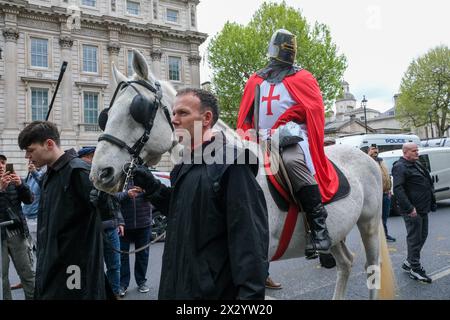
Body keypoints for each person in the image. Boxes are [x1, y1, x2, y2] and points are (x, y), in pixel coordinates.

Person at [131, 88, 269, 299]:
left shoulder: (233, 164)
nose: (174, 120)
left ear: (206, 118)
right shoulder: (183, 164)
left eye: (183, 113)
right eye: (173, 113)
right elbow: (184, 213)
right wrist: (152, 186)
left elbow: (249, 243)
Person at [237, 29, 338, 257]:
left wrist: (289, 116)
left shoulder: (303, 77)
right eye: (285, 48)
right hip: (259, 137)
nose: (288, 52)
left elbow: (313, 109)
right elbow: (246, 114)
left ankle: (319, 229)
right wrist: (247, 133)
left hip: (290, 135)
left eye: (290, 48)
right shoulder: (255, 79)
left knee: (292, 163)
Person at [17, 121, 106, 299]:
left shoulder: (78, 171)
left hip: (74, 268)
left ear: (49, 144)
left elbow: (107, 210)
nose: (27, 156)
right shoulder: (50, 173)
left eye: (30, 150)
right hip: (53, 264)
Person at [78, 146, 125, 299]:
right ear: (83, 158)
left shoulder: (103, 176)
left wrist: (119, 222)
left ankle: (115, 293)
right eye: (91, 156)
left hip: (110, 227)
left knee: (114, 265)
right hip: (92, 229)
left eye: (94, 156)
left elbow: (114, 202)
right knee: (92, 267)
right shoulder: (80, 176)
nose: (94, 160)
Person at [392, 142, 436, 283]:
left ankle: (409, 262)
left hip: (423, 207)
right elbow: (398, 189)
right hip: (413, 210)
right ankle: (415, 269)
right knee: (415, 239)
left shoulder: (415, 163)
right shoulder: (400, 167)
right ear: (405, 152)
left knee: (422, 235)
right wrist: (410, 208)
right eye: (414, 151)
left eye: (417, 150)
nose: (417, 152)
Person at [0, 153, 35, 300]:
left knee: (26, 272)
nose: (1, 165)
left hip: (17, 233)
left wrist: (21, 185)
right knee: (3, 277)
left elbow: (29, 200)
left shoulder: (15, 180)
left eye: (3, 162)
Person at [115, 177, 152, 297]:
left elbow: (155, 193)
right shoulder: (119, 177)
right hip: (124, 224)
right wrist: (127, 194)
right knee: (123, 256)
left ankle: (141, 282)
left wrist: (144, 190)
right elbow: (113, 197)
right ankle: (122, 284)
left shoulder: (144, 175)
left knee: (143, 255)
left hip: (144, 223)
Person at [367, 145, 396, 242]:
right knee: (376, 217)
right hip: (375, 195)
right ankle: (377, 237)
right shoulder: (367, 161)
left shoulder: (381, 160)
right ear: (368, 151)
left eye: (376, 150)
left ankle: (384, 234)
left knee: (384, 217)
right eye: (373, 149)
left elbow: (386, 176)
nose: (375, 151)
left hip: (385, 193)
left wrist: (389, 190)